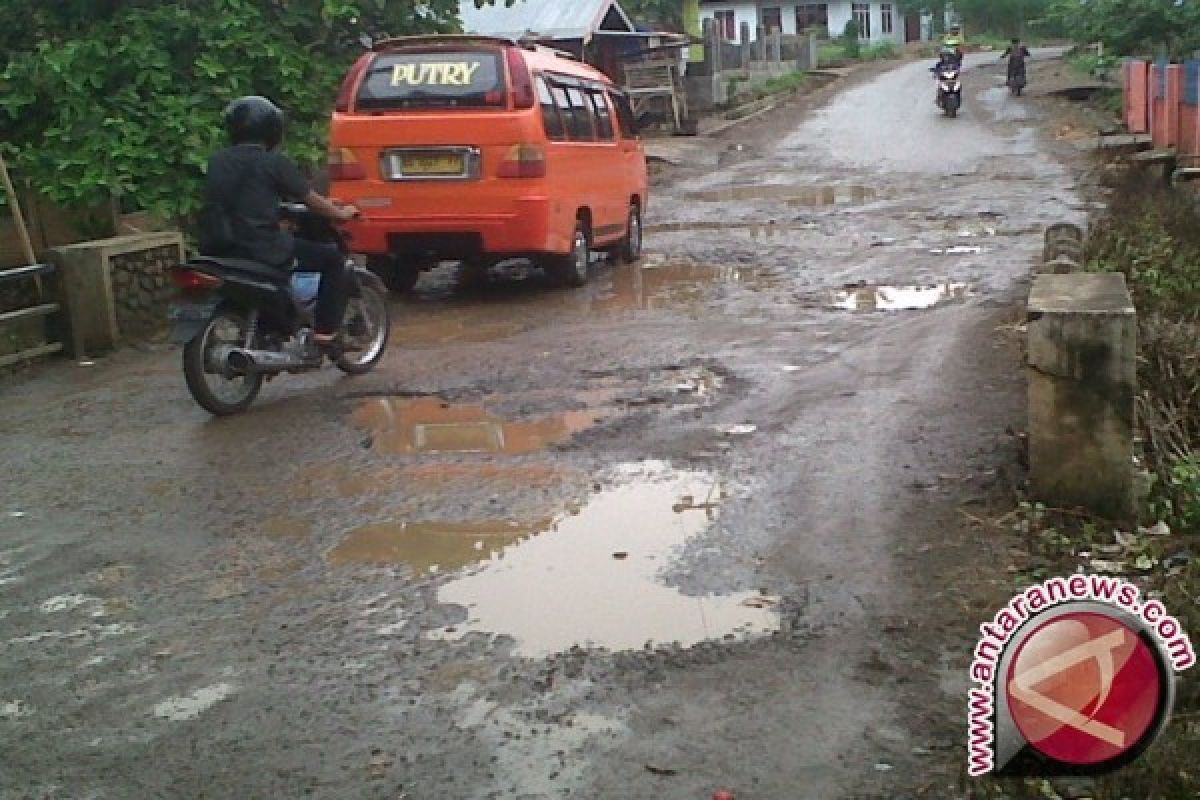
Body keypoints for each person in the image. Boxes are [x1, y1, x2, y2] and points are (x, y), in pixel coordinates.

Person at [203, 96, 359, 350]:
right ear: (272, 129)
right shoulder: (273, 162)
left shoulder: (217, 161)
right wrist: (340, 214)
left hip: (220, 246)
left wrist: (279, 213)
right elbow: (310, 199)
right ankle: (325, 334)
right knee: (332, 260)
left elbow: (243, 199)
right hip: (261, 247)